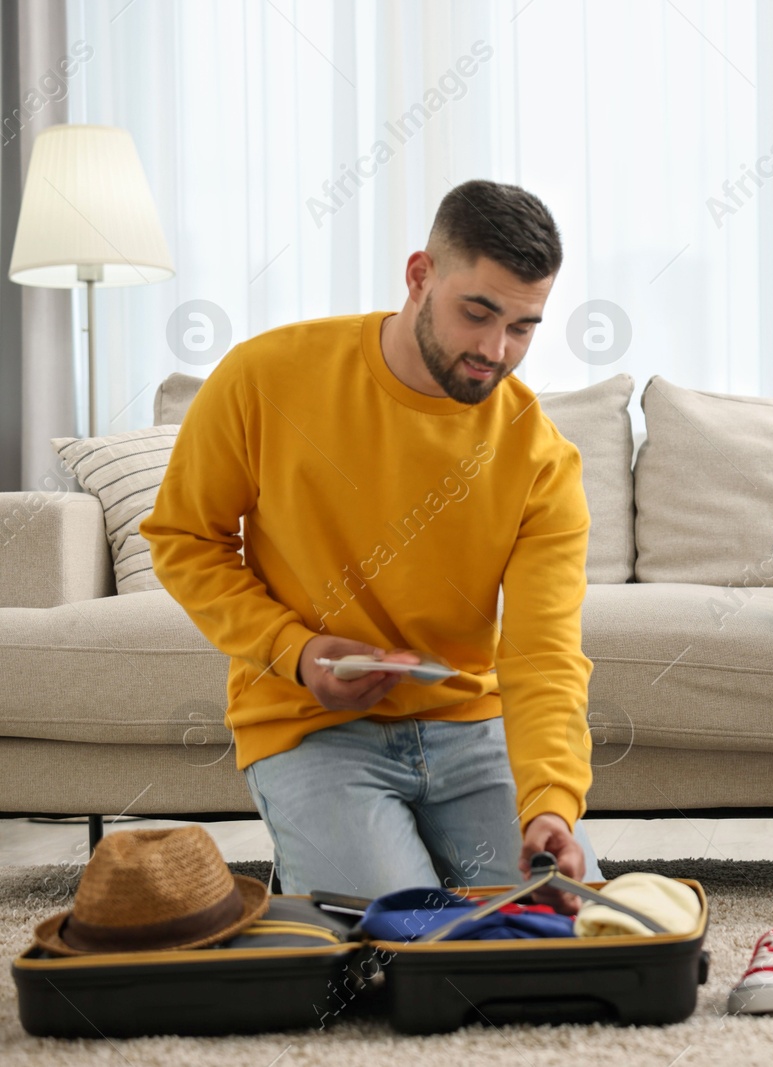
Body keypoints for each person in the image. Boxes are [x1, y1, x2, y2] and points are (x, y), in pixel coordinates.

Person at [143, 179, 601, 901]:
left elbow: (544, 651)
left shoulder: (540, 457)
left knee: (560, 925)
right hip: (312, 726)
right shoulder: (264, 376)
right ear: (420, 275)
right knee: (397, 946)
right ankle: (333, 868)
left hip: (469, 728)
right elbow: (183, 537)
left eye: (522, 326)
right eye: (476, 313)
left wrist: (551, 802)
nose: (495, 350)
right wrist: (293, 650)